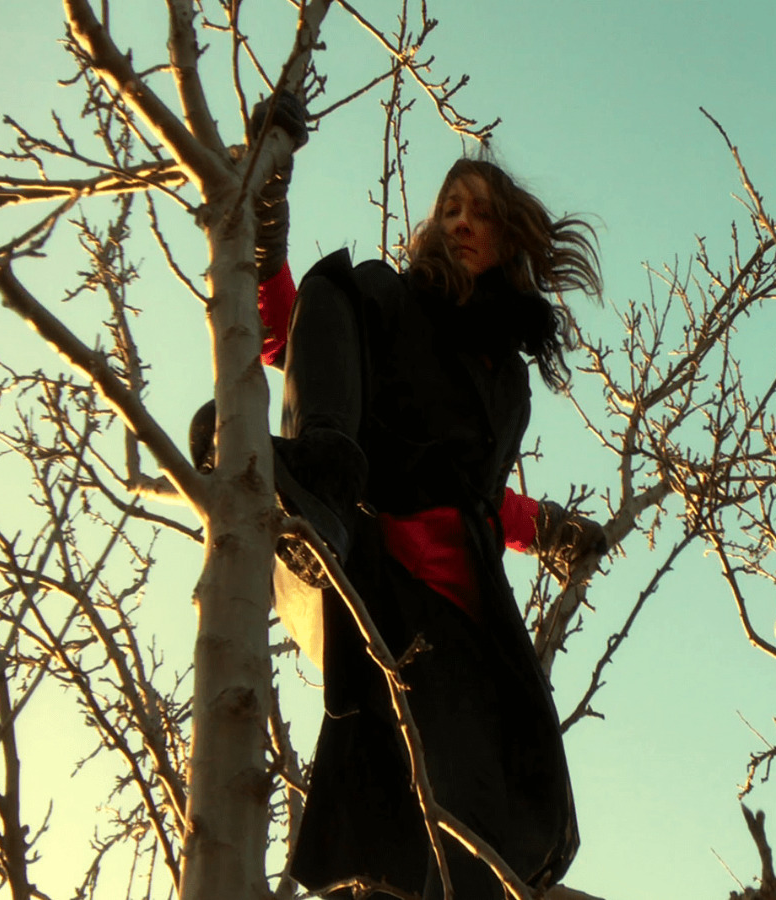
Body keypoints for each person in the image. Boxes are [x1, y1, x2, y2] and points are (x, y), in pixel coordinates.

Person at [191, 95, 607, 899]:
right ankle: (314, 478)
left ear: (507, 236)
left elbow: (479, 501)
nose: (457, 222)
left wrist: (549, 528)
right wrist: (266, 229)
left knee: (472, 807)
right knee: (341, 280)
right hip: (358, 551)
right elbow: (289, 330)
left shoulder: (507, 381)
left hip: (454, 616)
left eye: (477, 213)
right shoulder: (385, 300)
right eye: (448, 207)